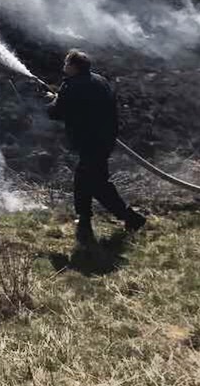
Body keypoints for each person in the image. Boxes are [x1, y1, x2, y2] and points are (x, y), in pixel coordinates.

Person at [46, 48, 146, 249]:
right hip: (105, 139)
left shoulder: (71, 86)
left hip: (90, 142)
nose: (64, 67)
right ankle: (84, 217)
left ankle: (130, 217)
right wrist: (60, 96)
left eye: (66, 64)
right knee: (85, 179)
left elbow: (56, 113)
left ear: (74, 67)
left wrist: (51, 99)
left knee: (97, 184)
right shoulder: (99, 80)